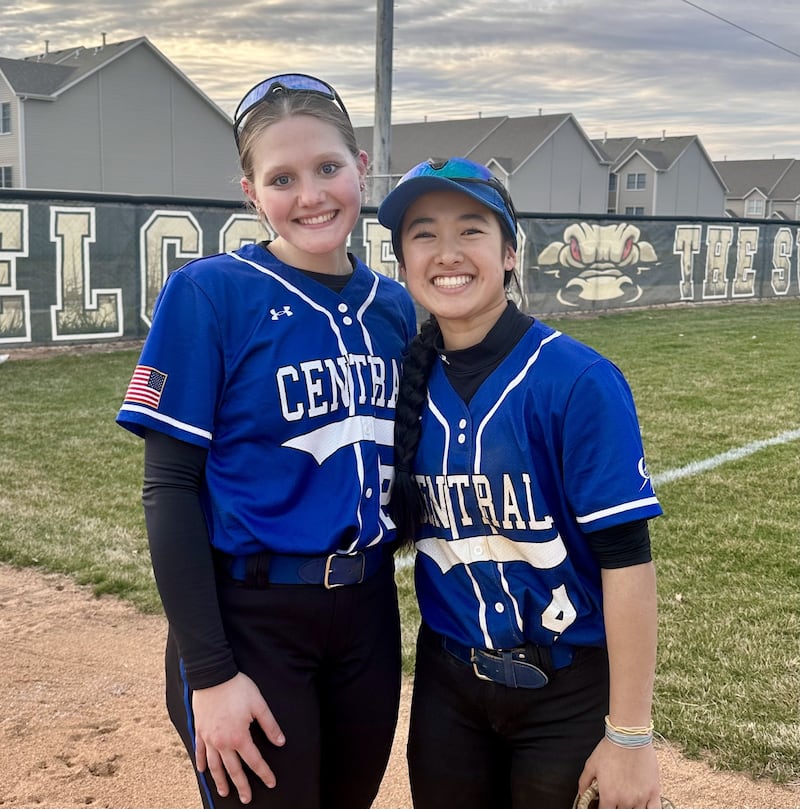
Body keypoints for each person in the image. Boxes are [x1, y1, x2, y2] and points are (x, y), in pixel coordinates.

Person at [117, 73, 416, 809]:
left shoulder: (395, 307)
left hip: (368, 614)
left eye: (327, 167)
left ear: (361, 168)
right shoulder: (210, 292)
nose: (310, 194)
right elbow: (168, 487)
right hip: (250, 617)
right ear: (252, 193)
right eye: (282, 178)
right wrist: (210, 673)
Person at [377, 157, 664, 809]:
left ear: (509, 252)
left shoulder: (577, 379)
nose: (447, 252)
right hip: (449, 687)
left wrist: (629, 734)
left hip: (566, 690)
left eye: (471, 229)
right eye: (423, 234)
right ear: (403, 261)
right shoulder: (405, 383)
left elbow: (627, 562)